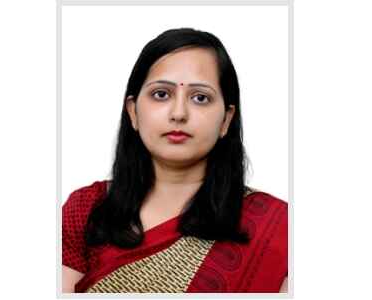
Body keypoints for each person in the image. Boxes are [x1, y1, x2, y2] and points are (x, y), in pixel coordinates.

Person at [62, 27, 288, 293]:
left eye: (200, 98)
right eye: (161, 94)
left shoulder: (280, 228)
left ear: (226, 119)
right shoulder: (87, 209)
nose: (179, 113)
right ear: (133, 111)